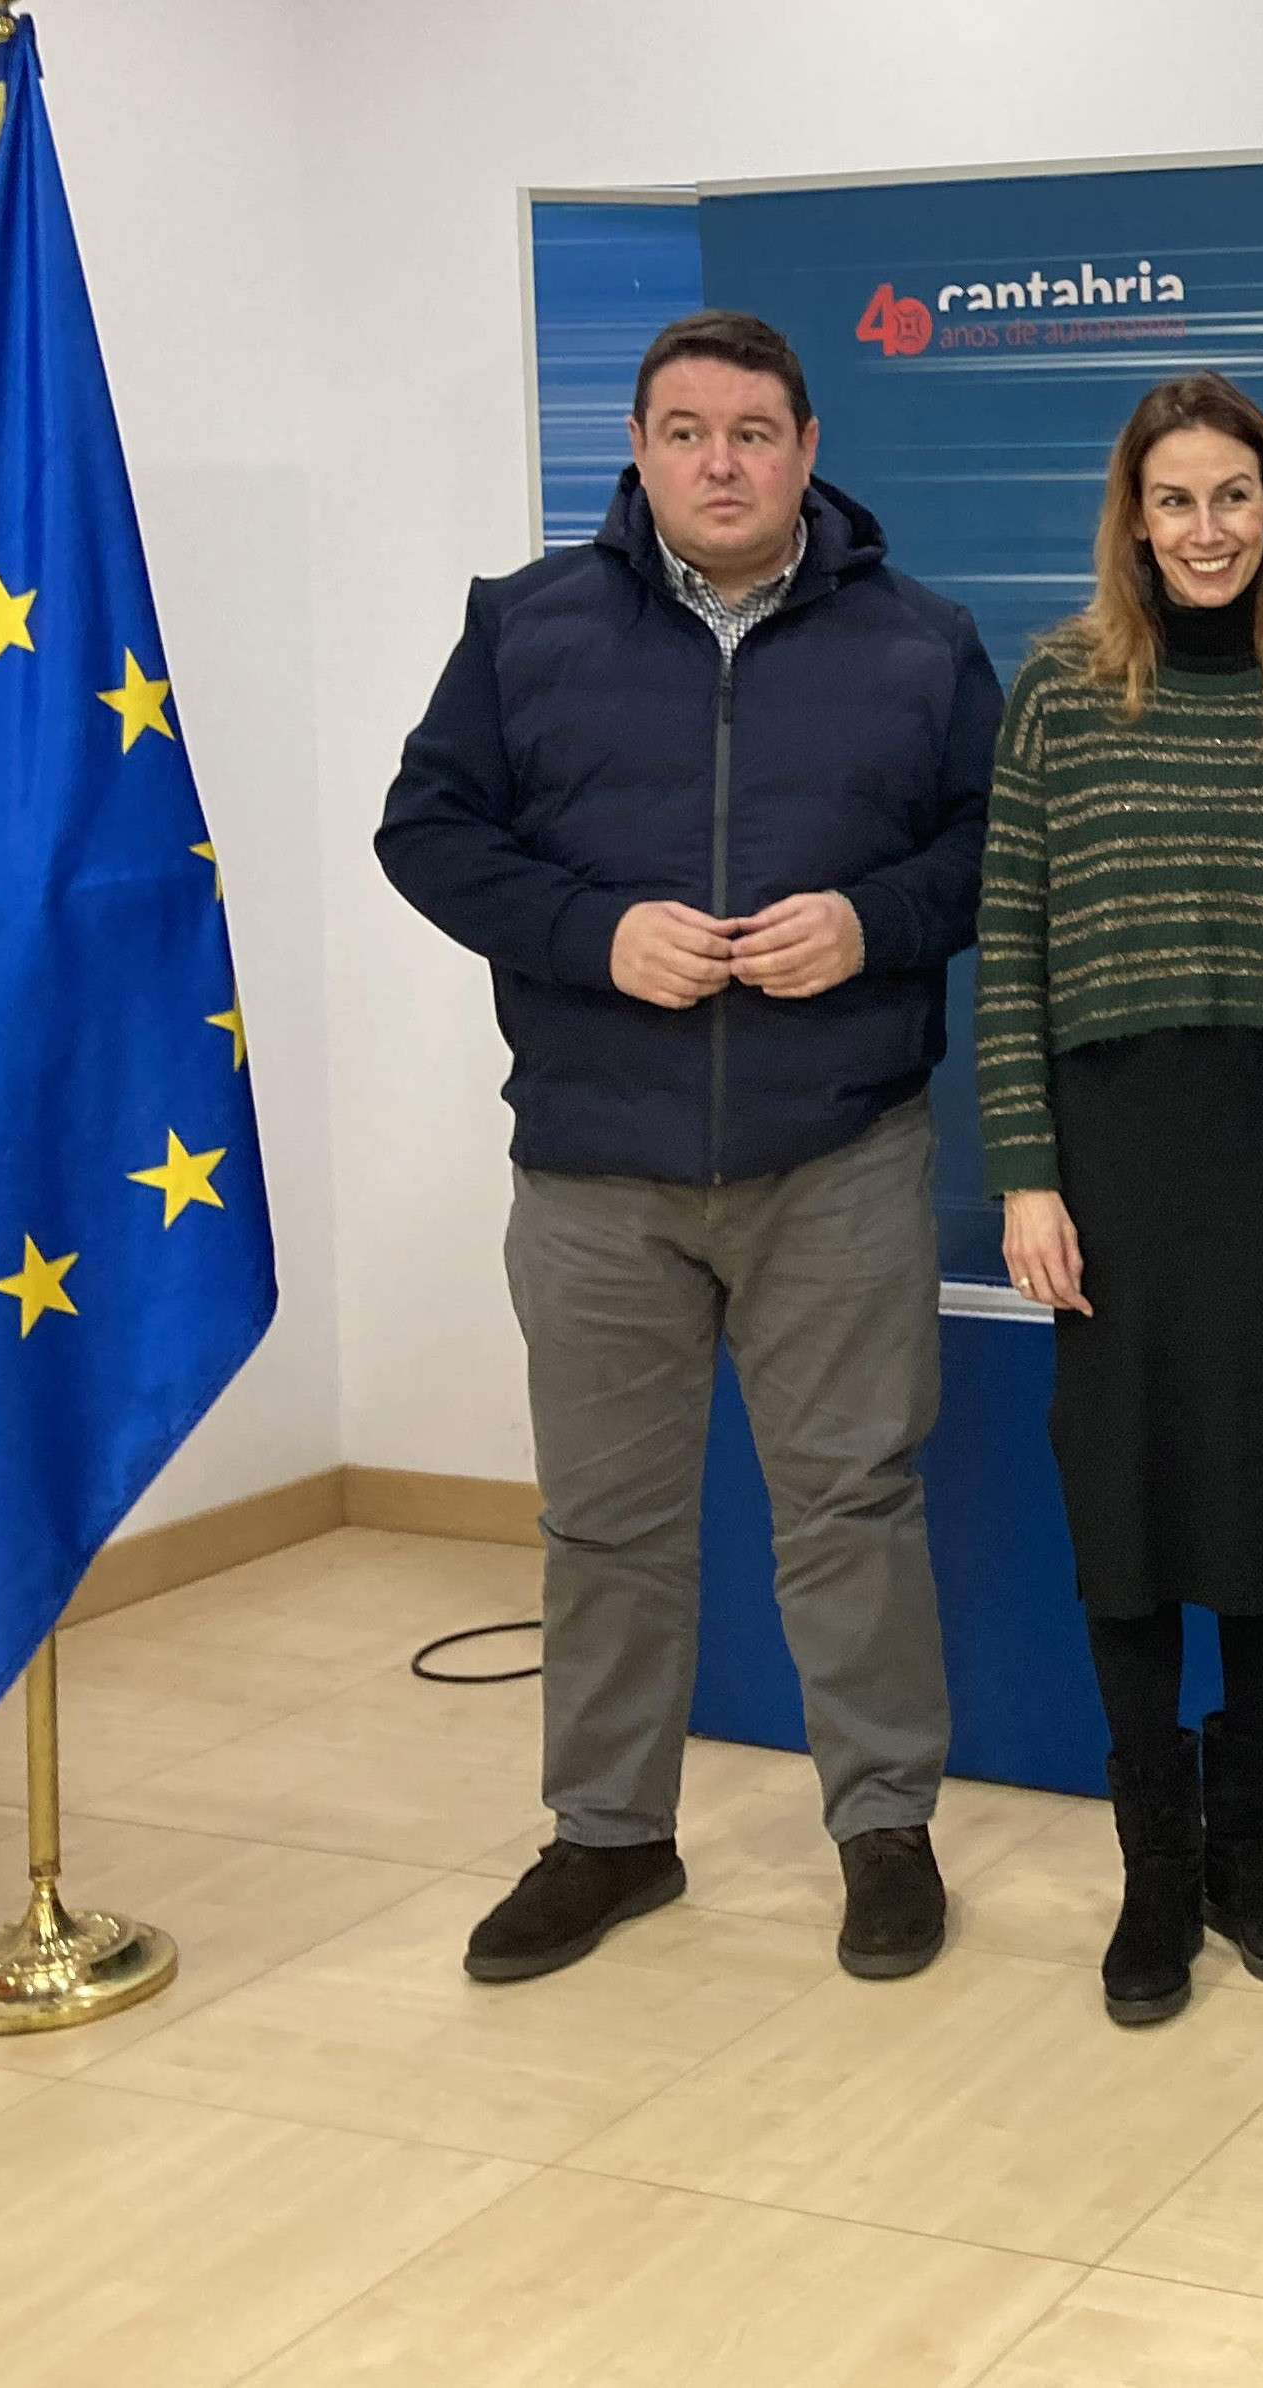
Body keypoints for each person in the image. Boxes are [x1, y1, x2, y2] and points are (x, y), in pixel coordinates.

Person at [378, 310, 998, 1986]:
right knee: (603, 1524)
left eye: (750, 431)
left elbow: (988, 854)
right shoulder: (523, 629)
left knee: (851, 1505)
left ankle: (883, 1830)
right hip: (595, 1170)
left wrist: (870, 924)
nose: (717, 463)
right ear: (638, 449)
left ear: (806, 447)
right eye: (682, 431)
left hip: (836, 1157)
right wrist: (593, 935)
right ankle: (608, 1837)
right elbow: (425, 832)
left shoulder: (923, 645)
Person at [976, 373, 1263, 2025]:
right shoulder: (1062, 691)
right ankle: (1154, 1871)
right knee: (1126, 1507)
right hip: (1105, 1157)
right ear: (1133, 519)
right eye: (1175, 500)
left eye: (1235, 495)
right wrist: (1025, 1171)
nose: (1207, 529)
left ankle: (1253, 1848)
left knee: (1261, 1499)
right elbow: (1006, 941)